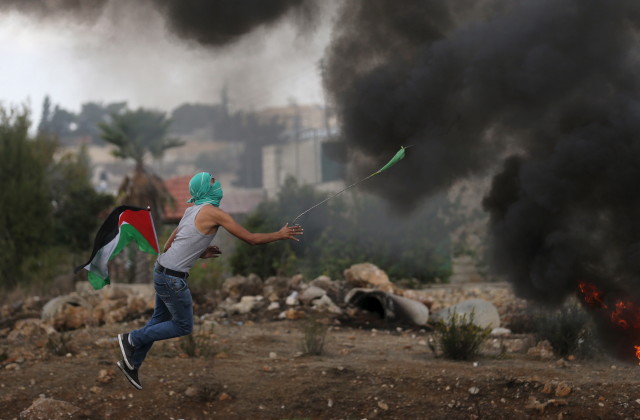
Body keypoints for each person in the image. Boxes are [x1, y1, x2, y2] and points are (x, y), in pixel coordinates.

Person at [116, 172, 303, 389]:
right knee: (183, 325)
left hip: (161, 270)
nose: (218, 185)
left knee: (158, 321)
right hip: (172, 278)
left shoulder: (191, 210)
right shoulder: (214, 213)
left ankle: (132, 363)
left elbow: (170, 243)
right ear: (204, 189)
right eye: (213, 182)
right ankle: (132, 339)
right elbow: (251, 239)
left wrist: (198, 251)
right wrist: (279, 235)